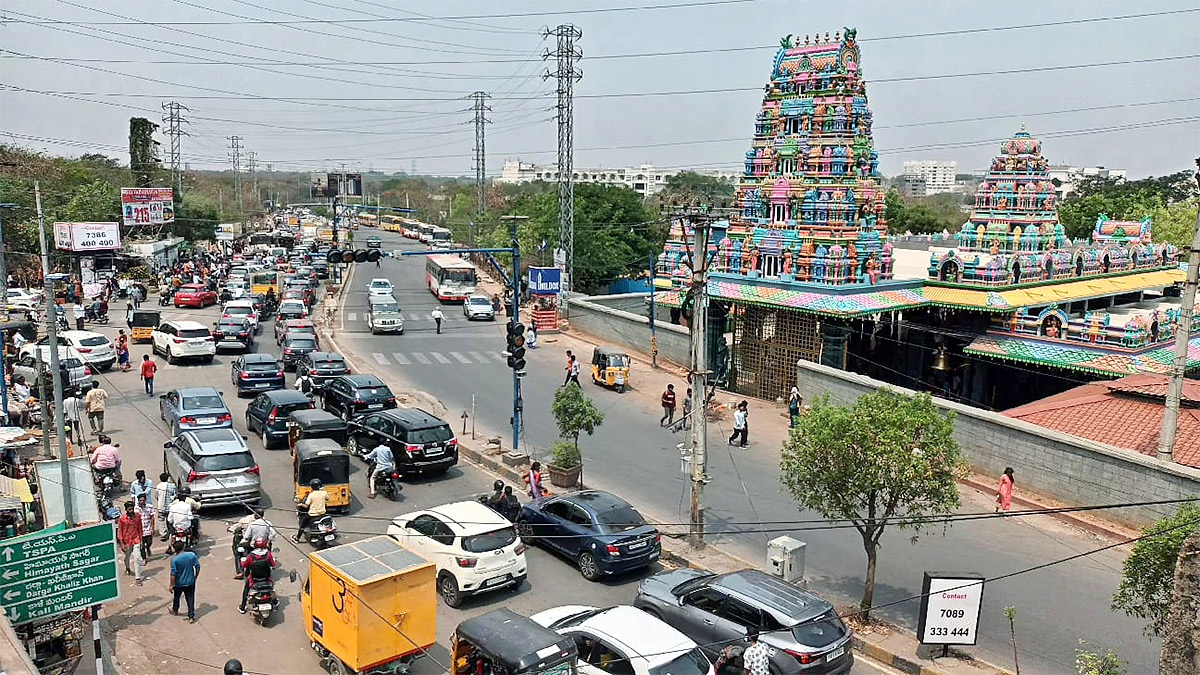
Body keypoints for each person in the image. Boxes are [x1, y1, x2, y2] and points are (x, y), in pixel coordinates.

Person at [238, 536, 277, 614]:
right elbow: (273, 564)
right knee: (272, 589)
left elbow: (244, 565)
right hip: (266, 579)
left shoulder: (251, 556)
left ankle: (243, 607)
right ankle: (275, 602)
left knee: (246, 590)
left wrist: (242, 562)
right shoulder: (268, 554)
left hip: (254, 580)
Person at [169, 541, 200, 623]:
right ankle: (191, 616)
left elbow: (173, 574)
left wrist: (171, 585)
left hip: (178, 583)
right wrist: (195, 576)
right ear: (183, 547)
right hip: (190, 582)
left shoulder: (175, 560)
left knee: (176, 597)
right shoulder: (191, 555)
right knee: (190, 599)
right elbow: (197, 567)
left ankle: (175, 610)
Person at [117, 501, 144, 585]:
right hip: (126, 541)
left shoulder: (138, 517)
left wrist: (141, 540)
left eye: (132, 508)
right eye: (129, 509)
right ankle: (128, 568)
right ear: (126, 509)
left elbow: (140, 528)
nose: (131, 510)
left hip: (136, 539)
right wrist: (121, 543)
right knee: (127, 557)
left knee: (137, 558)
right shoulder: (122, 519)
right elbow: (120, 531)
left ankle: (138, 577)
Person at [153, 472, 176, 540]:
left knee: (161, 520)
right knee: (170, 520)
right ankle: (171, 532)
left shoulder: (158, 486)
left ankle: (163, 534)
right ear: (168, 478)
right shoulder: (172, 486)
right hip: (170, 507)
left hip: (161, 507)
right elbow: (174, 495)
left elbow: (156, 496)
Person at [136, 494, 155, 562]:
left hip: (148, 528)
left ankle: (148, 548)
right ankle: (144, 558)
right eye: (140, 500)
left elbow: (152, 518)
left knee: (149, 542)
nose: (142, 502)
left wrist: (153, 528)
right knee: (142, 545)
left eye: (143, 500)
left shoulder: (149, 507)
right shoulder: (136, 509)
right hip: (140, 530)